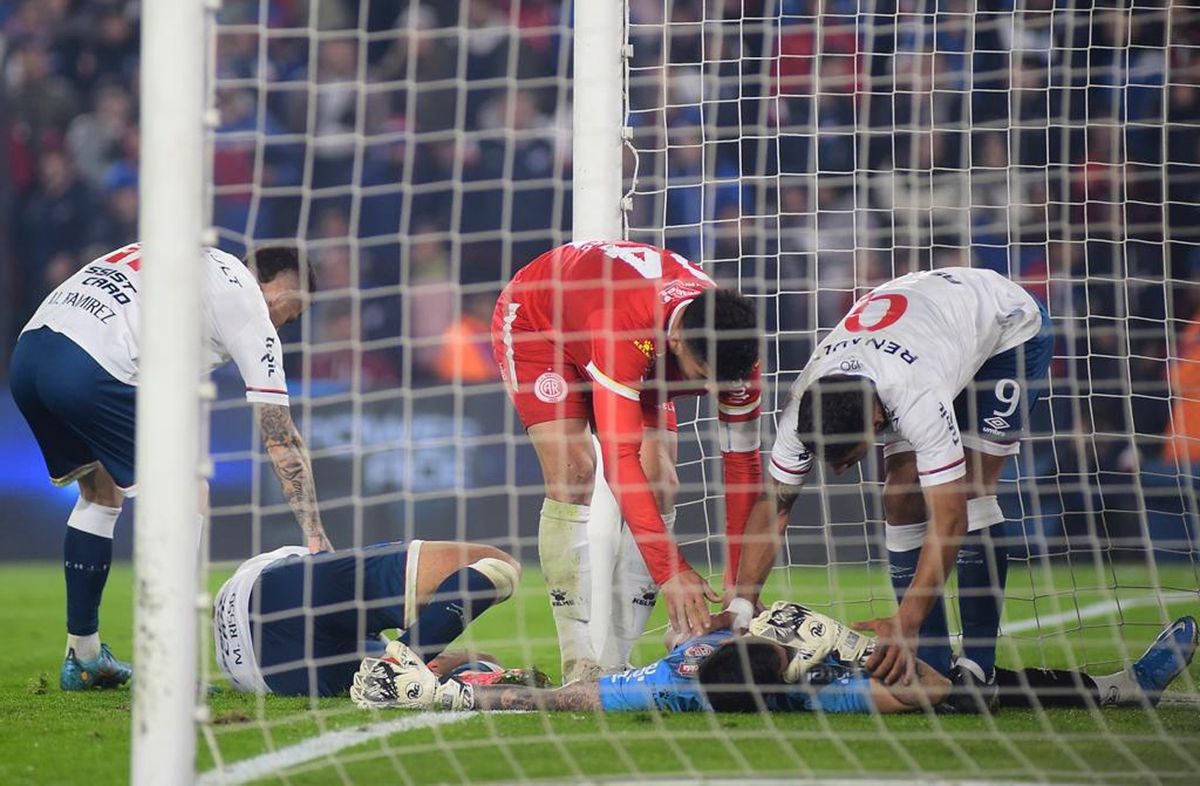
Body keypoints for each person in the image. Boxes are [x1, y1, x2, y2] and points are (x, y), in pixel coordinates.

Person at [9, 243, 332, 690]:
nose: (286, 324)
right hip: (90, 367)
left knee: (100, 491)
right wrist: (315, 535)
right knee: (188, 487)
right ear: (279, 288)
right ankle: (171, 664)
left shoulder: (194, 260)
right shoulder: (248, 303)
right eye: (291, 314)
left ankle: (83, 656)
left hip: (29, 357)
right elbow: (280, 435)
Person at [726, 267, 1054, 692]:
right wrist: (741, 603)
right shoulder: (802, 403)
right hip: (925, 333)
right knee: (900, 497)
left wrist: (906, 620)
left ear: (878, 419)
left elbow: (949, 520)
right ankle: (931, 660)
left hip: (1005, 327)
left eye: (848, 456)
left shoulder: (914, 398)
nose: (839, 470)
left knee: (970, 493)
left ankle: (978, 668)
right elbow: (775, 507)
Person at [491, 240, 763, 681]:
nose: (714, 392)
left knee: (660, 480)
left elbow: (743, 467)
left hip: (633, 340)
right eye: (701, 378)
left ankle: (617, 662)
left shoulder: (737, 358)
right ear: (677, 342)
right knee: (574, 472)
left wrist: (741, 592)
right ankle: (579, 659)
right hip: (541, 323)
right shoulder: (629, 329)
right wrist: (670, 569)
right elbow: (619, 459)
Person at [350, 602, 1197, 715]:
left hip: (767, 671)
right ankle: (1115, 691)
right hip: (851, 676)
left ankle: (1118, 686)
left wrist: (455, 690)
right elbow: (926, 692)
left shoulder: (676, 673)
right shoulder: (815, 697)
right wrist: (862, 651)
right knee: (965, 687)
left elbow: (573, 698)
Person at [213, 539, 520, 697]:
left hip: (258, 665)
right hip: (277, 674)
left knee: (405, 675)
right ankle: (408, 657)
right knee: (497, 563)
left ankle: (406, 659)